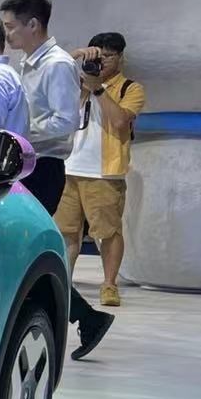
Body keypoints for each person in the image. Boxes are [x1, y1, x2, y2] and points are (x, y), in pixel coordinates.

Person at [0, 0, 111, 359]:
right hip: (26, 165)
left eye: (11, 27)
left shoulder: (57, 64)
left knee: (24, 249)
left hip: (43, 168)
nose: (7, 34)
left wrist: (17, 131)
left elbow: (65, 121)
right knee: (18, 249)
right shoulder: (27, 63)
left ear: (33, 24)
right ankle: (84, 317)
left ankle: (81, 316)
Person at [60, 32, 145, 308]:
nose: (102, 61)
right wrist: (74, 57)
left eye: (108, 56)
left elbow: (120, 123)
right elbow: (51, 78)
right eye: (98, 55)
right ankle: (63, 282)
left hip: (104, 173)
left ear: (121, 57)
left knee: (108, 232)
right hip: (68, 167)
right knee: (65, 231)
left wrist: (98, 89)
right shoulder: (77, 82)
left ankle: (109, 284)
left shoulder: (130, 88)